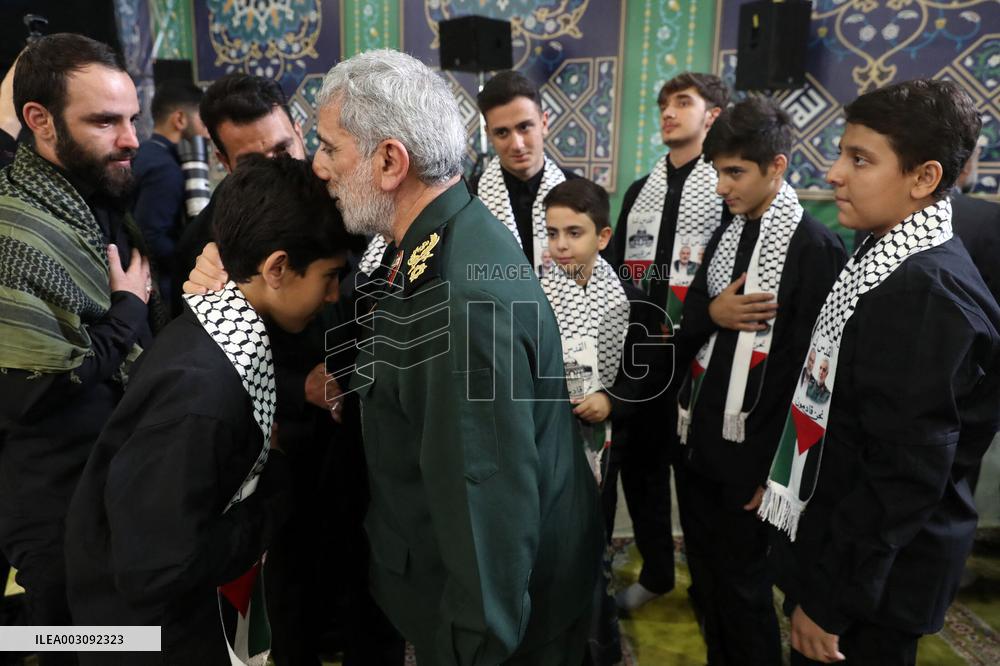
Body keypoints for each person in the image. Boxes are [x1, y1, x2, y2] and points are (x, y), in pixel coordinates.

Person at [309, 49, 603, 665]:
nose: (319, 166)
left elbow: (485, 503)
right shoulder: (436, 235)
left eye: (330, 147)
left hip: (502, 621)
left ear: (390, 161)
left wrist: (474, 646)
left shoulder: (459, 298)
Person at [65, 155, 355, 665]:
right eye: (329, 277)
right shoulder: (200, 394)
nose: (333, 295)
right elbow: (155, 568)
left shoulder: (221, 334)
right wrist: (272, 492)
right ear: (278, 268)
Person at [759, 79, 1000, 665]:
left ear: (924, 178)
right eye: (843, 153)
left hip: (874, 583)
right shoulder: (888, 252)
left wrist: (830, 599)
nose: (835, 173)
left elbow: (905, 471)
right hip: (855, 554)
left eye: (859, 159)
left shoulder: (922, 291)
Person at [177, 73, 403, 666]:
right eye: (253, 158)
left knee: (371, 596)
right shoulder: (209, 246)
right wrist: (294, 382)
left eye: (285, 148)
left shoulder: (353, 207)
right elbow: (206, 358)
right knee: (290, 603)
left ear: (299, 132)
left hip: (366, 441)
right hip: (281, 456)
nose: (281, 163)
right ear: (223, 160)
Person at [670, 97, 846, 665]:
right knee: (710, 584)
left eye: (736, 172)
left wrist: (768, 474)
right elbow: (693, 316)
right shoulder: (730, 231)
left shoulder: (814, 247)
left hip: (750, 461)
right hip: (700, 441)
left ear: (777, 166)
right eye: (718, 172)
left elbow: (810, 374)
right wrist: (712, 315)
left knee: (745, 592)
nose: (722, 186)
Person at [0, 34, 153, 663]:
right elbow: (31, 391)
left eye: (132, 119)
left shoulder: (96, 200)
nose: (131, 139)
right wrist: (127, 313)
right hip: (57, 508)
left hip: (117, 489)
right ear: (39, 120)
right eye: (105, 121)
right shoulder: (15, 232)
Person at [610, 71, 732, 613]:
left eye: (683, 102)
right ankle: (657, 571)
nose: (668, 112)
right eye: (663, 103)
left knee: (699, 482)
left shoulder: (727, 188)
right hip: (643, 359)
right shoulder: (641, 190)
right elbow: (616, 271)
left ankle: (711, 587)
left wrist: (700, 322)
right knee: (640, 473)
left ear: (713, 115)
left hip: (701, 358)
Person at [539, 178, 667, 664]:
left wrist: (612, 401)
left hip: (604, 449)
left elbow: (646, 371)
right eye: (552, 233)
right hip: (547, 442)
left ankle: (595, 639)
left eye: (574, 232)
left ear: (604, 237)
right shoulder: (535, 298)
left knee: (591, 542)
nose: (561, 245)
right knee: (549, 541)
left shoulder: (631, 301)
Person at [472, 70, 581, 274]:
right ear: (488, 134)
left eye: (524, 127)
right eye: (502, 132)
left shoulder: (580, 193)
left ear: (544, 123)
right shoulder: (470, 199)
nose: (517, 145)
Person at [131, 80, 207, 306]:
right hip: (159, 289)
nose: (208, 134)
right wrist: (193, 259)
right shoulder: (165, 169)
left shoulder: (146, 152)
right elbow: (151, 237)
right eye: (203, 122)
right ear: (180, 119)